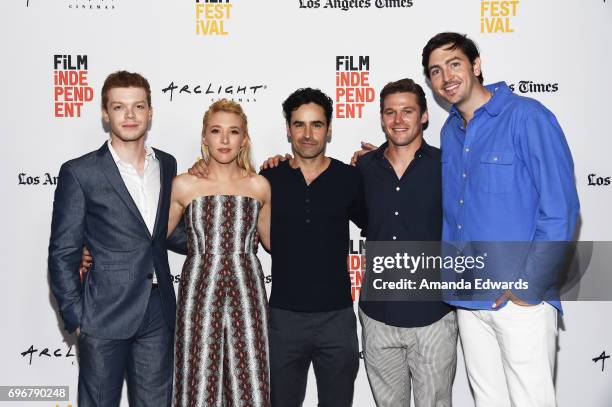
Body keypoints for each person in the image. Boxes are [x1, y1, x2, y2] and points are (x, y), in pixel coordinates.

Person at [421, 32, 579, 407]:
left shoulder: (527, 116)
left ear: (476, 65)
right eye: (436, 71)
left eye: (455, 64)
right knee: (487, 401)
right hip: (468, 299)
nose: (446, 77)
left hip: (519, 300)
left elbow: (561, 210)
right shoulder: (451, 131)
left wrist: (528, 286)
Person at [190, 88, 367, 407]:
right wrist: (199, 168)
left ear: (329, 128)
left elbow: (383, 224)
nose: (308, 134)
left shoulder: (350, 178)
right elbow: (221, 199)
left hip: (337, 320)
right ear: (288, 129)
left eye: (316, 124)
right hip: (284, 321)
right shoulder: (269, 178)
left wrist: (380, 161)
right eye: (299, 124)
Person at [48, 71, 187, 407]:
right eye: (119, 107)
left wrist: (228, 228)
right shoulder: (80, 172)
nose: (129, 115)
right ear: (105, 113)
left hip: (158, 311)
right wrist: (77, 319)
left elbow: (167, 233)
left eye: (138, 106)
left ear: (150, 113)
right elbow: (62, 252)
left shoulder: (167, 164)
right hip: (102, 314)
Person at [355, 78, 456, 407]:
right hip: (378, 316)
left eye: (407, 111)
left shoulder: (448, 165)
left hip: (433, 316)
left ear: (424, 116)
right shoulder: (363, 167)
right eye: (390, 112)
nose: (398, 120)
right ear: (381, 117)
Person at [167, 100, 272, 407]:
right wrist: (95, 249)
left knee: (250, 385)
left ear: (245, 139)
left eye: (233, 132)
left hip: (248, 292)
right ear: (204, 138)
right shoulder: (183, 185)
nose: (224, 140)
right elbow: (149, 238)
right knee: (197, 386)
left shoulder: (260, 186)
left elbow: (273, 242)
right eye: (216, 131)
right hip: (199, 293)